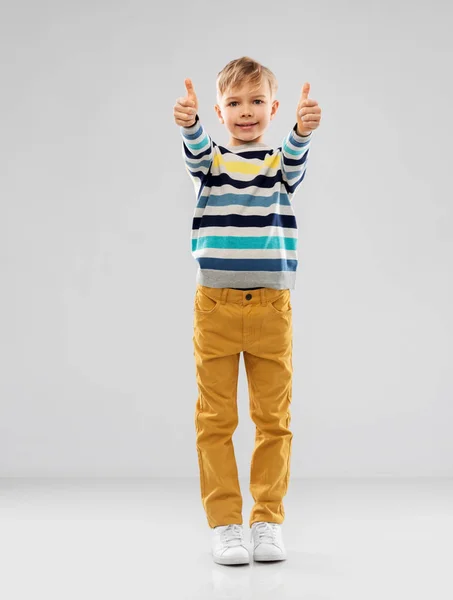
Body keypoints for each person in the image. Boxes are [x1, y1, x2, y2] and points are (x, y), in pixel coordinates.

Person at [173, 56, 322, 565]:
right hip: (214, 306)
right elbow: (194, 152)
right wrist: (191, 123)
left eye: (256, 101)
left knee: (272, 420)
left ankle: (267, 521)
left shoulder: (279, 163)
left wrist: (303, 129)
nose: (245, 111)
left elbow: (297, 159)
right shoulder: (211, 162)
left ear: (273, 108)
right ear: (219, 111)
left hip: (271, 307)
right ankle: (226, 526)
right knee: (215, 420)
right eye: (233, 103)